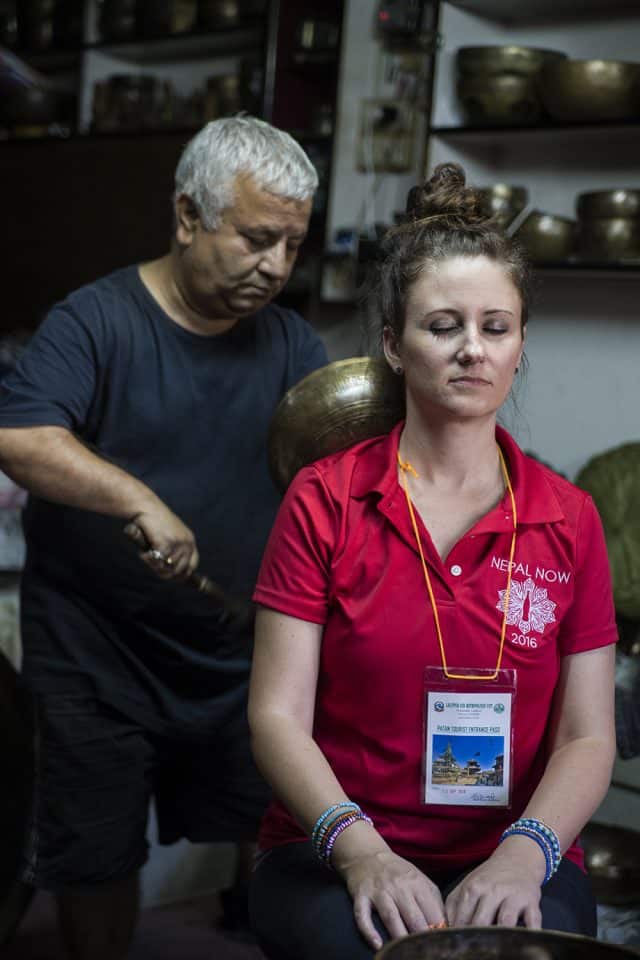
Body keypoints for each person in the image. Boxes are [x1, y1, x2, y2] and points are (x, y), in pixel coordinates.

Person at [247, 162, 618, 960]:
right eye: (442, 325)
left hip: (522, 851)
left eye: (496, 326)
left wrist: (526, 854)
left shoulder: (570, 519)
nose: (472, 350)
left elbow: (589, 736)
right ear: (392, 343)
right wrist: (363, 853)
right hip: (333, 848)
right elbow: (275, 715)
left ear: (521, 344)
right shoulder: (325, 501)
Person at [0, 115, 327, 960]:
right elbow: (20, 435)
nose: (276, 267)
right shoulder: (96, 322)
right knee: (96, 851)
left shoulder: (290, 343)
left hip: (237, 645)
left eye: (292, 245)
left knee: (279, 823)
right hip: (95, 649)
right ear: (188, 215)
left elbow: (340, 469)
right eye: (257, 239)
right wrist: (132, 496)